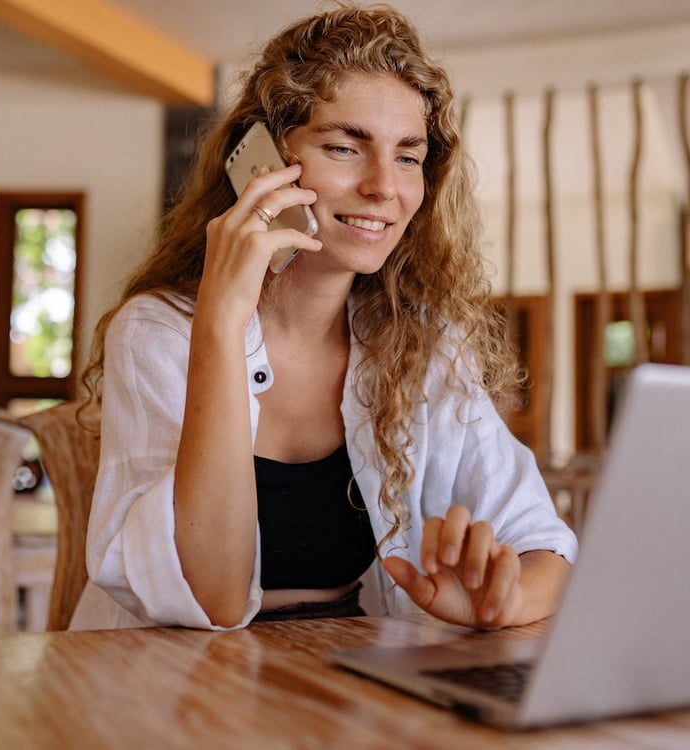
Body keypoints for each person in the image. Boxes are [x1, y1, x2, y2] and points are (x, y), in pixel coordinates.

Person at [72, 3, 577, 631]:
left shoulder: (421, 340)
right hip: (167, 683)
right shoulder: (159, 330)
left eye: (408, 157)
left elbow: (544, 545)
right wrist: (222, 325)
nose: (382, 187)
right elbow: (216, 598)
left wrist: (506, 600)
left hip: (344, 672)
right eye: (344, 147)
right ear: (260, 163)